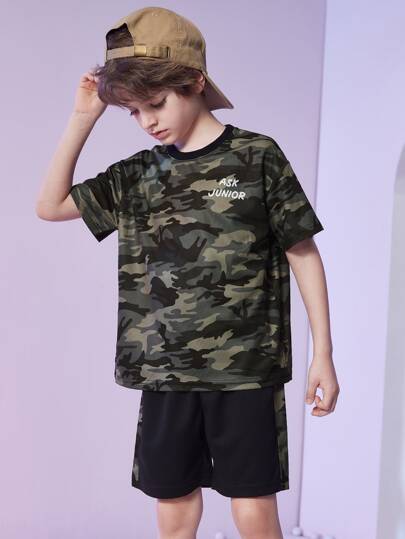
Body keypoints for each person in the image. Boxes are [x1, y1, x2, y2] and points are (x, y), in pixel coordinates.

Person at [35, 6, 340, 539]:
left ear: (196, 81)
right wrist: (83, 118)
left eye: (155, 104)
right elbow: (50, 205)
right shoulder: (138, 174)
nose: (147, 121)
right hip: (164, 371)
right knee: (173, 510)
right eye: (133, 111)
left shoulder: (257, 157)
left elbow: (303, 253)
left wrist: (324, 354)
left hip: (246, 369)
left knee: (254, 508)